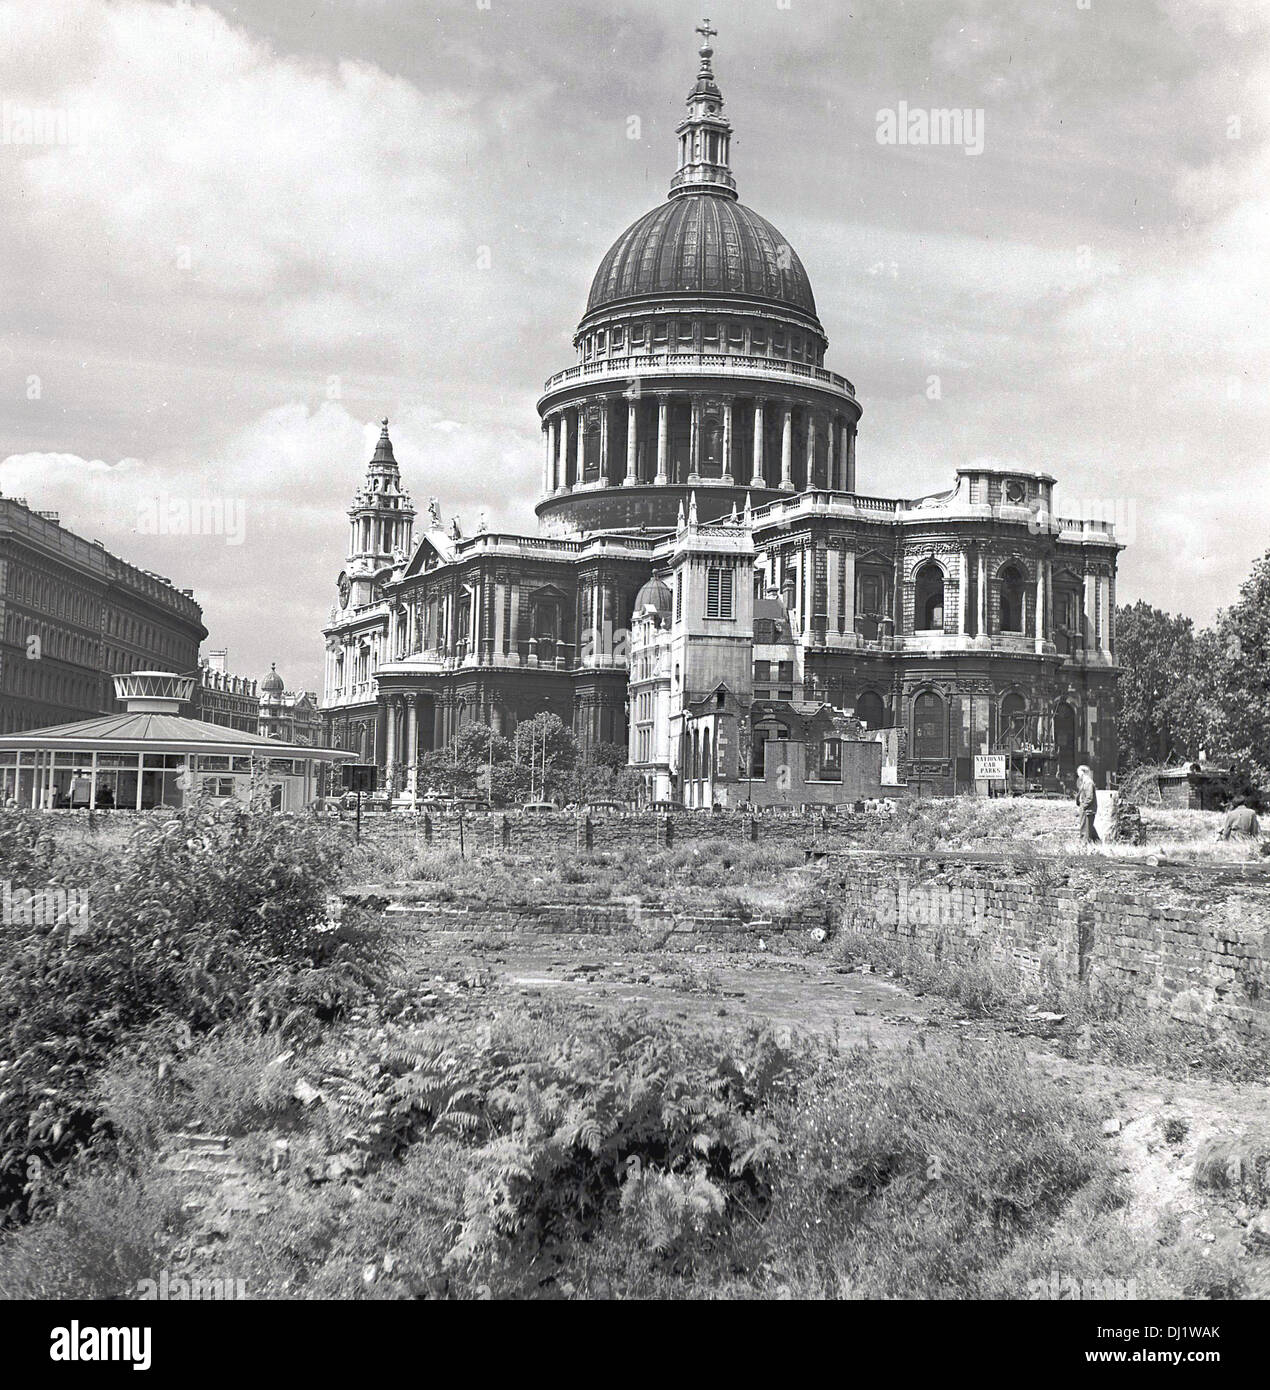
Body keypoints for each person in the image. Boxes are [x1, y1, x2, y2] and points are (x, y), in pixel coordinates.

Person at [1075, 764, 1099, 843]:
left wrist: (1083, 807)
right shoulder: (1084, 782)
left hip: (1088, 810)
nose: (1078, 775)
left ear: (1082, 773)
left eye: (1078, 773)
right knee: (1088, 829)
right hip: (1086, 809)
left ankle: (1086, 845)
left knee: (1086, 830)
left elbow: (1089, 798)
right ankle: (1098, 844)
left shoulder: (1088, 782)